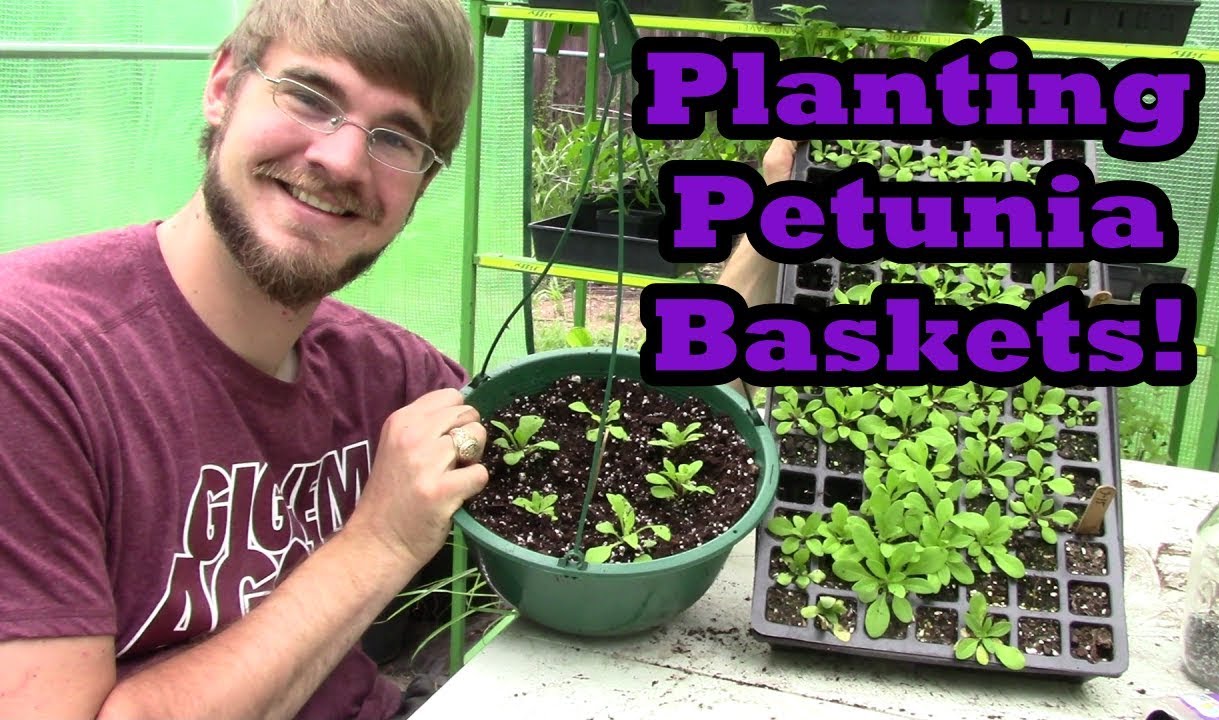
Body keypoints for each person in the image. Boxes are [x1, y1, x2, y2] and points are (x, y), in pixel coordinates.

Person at [0, 0, 799, 716]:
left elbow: (635, 433)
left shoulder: (382, 375)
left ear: (421, 185)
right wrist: (381, 541)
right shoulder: (34, 361)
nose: (342, 160)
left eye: (395, 138)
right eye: (309, 96)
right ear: (222, 86)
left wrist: (765, 235)